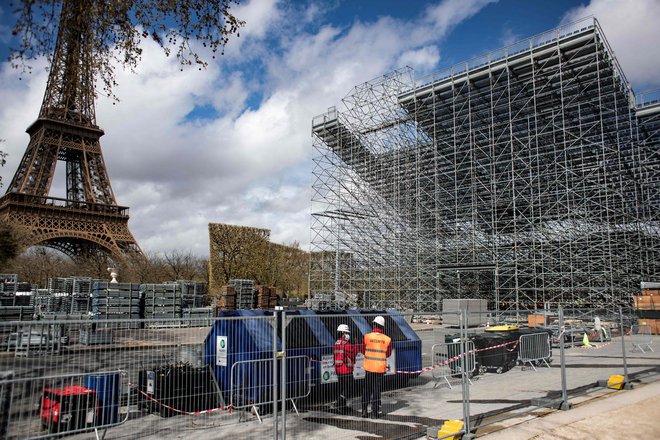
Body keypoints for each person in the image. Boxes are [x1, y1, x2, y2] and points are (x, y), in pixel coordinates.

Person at [361, 315, 392, 419]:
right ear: (382, 326)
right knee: (376, 390)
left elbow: (362, 350)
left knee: (366, 389)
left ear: (374, 324)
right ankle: (374, 413)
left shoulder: (367, 337)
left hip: (369, 367)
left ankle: (364, 410)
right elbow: (388, 354)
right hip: (379, 369)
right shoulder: (387, 339)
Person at [333, 323, 357, 413]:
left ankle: (342, 406)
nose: (348, 335)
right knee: (349, 387)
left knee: (341, 387)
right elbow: (353, 353)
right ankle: (340, 404)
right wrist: (355, 345)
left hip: (338, 369)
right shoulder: (346, 344)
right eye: (347, 333)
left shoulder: (337, 342)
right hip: (346, 369)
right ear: (343, 333)